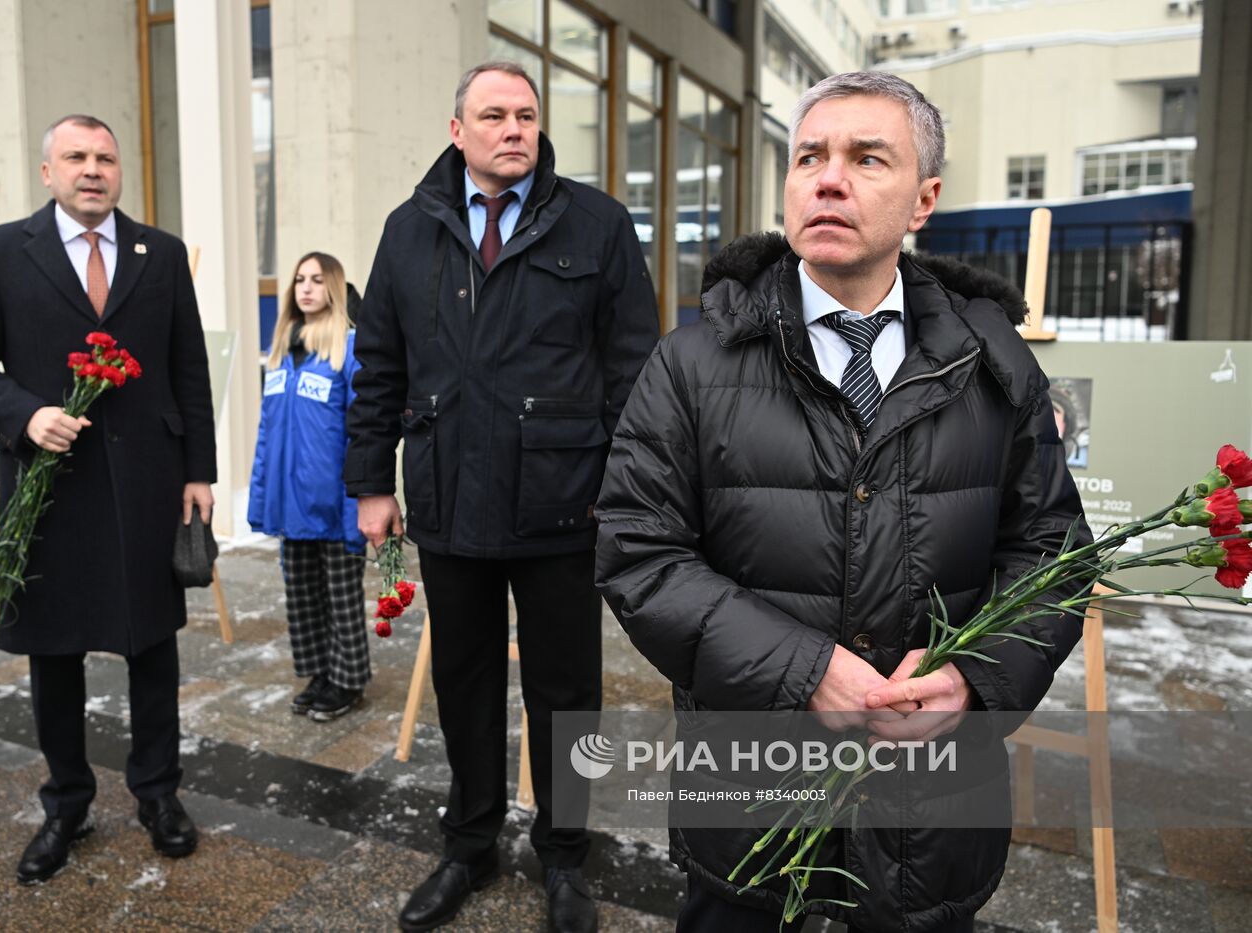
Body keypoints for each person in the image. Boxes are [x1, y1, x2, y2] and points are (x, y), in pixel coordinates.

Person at [594, 72, 1090, 933]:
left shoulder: (993, 361)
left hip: (927, 813)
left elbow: (1053, 551)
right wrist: (803, 670)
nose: (828, 178)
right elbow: (638, 551)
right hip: (752, 809)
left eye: (868, 158)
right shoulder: (693, 362)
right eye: (810, 157)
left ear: (924, 199)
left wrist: (976, 677)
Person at [345, 61, 659, 933]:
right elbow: (378, 366)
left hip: (566, 503)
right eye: (494, 115)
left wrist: (624, 490)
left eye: (526, 114)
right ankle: (470, 843)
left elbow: (635, 368)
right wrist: (372, 482)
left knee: (569, 693)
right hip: (448, 499)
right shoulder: (409, 231)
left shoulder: (595, 223)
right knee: (465, 683)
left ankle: (565, 856)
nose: (513, 128)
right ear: (459, 132)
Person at [0, 114, 215, 885]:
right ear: (47, 170)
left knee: (152, 646)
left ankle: (158, 795)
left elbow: (187, 367)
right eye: (76, 157)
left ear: (118, 169)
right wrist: (24, 413)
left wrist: (201, 471)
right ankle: (66, 803)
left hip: (148, 484)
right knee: (53, 650)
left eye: (105, 157)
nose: (93, 169)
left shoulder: (157, 254)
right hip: (46, 489)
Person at [248, 251, 369, 721]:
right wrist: (262, 500)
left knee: (341, 600)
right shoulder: (280, 355)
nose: (306, 287)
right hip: (289, 505)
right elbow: (266, 434)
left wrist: (357, 501)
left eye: (317, 280)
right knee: (301, 598)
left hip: (333, 506)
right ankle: (319, 673)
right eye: (300, 279)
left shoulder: (348, 348)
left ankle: (348, 680)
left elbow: (361, 432)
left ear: (333, 288)